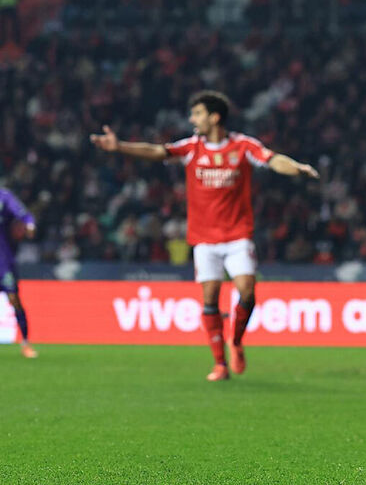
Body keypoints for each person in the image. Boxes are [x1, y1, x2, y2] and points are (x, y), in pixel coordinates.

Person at [91, 91, 319, 381]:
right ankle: (219, 364)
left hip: (237, 235)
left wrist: (296, 168)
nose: (192, 119)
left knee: (247, 289)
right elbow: (155, 151)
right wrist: (119, 147)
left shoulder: (242, 145)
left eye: (197, 114)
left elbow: (272, 159)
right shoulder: (191, 148)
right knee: (210, 296)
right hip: (204, 238)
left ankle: (235, 340)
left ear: (214, 117)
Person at [0, 187, 37, 358]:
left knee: (14, 299)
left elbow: (23, 214)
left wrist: (29, 224)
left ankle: (26, 343)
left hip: (3, 260)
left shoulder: (4, 196)